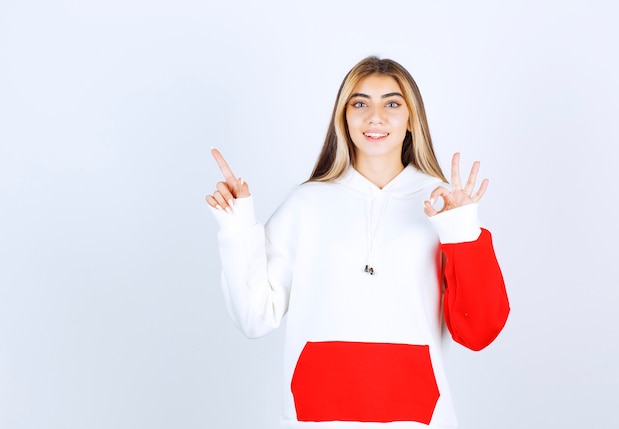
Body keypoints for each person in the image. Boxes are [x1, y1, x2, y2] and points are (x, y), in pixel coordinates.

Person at [205, 56, 510, 429]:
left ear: (412, 118)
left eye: (392, 104)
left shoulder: (443, 204)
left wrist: (462, 229)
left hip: (419, 420)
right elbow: (254, 318)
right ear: (344, 117)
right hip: (317, 418)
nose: (375, 116)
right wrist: (237, 228)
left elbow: (478, 331)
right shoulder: (306, 204)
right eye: (360, 103)